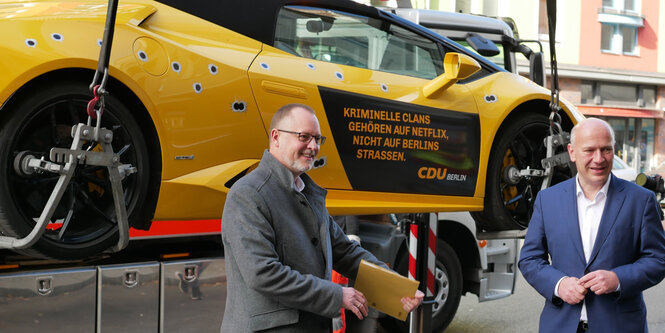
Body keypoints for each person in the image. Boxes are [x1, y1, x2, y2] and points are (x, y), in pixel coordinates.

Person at [221, 103, 424, 333]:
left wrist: (397, 288)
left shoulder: (306, 193)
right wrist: (337, 295)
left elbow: (345, 252)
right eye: (304, 137)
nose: (313, 146)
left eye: (317, 139)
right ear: (276, 137)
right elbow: (263, 273)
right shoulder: (248, 194)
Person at [519, 117, 665, 333]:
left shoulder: (641, 200)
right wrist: (559, 285)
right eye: (589, 150)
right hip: (560, 325)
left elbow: (658, 259)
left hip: (621, 326)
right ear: (572, 152)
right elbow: (530, 258)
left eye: (605, 150)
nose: (599, 159)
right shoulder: (547, 199)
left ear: (614, 149)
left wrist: (617, 279)